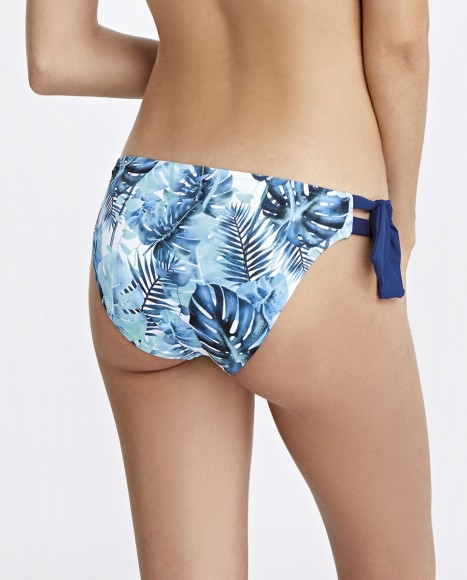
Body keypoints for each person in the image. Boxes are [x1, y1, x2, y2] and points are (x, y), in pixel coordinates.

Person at [26, 0, 434, 577]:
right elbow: (400, 47)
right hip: (300, 214)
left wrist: (196, 61)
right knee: (394, 565)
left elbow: (57, 58)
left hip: (146, 215)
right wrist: (402, 218)